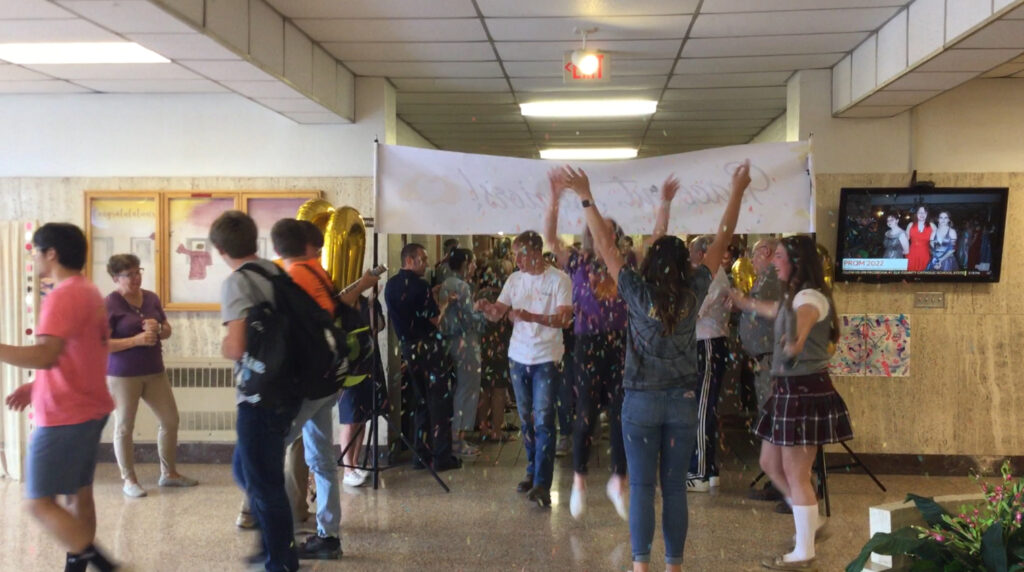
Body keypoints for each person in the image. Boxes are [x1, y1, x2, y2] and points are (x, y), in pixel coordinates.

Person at [561, 161, 750, 572]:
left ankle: (640, 566)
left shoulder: (634, 289)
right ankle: (674, 567)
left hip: (640, 404)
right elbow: (723, 237)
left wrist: (586, 197)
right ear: (686, 266)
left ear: (651, 264)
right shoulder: (693, 291)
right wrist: (737, 191)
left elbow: (606, 246)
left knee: (643, 489)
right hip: (682, 401)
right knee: (675, 491)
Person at [2, 223, 120, 572]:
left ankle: (107, 566)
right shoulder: (87, 291)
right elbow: (75, 354)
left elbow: (46, 355)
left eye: (35, 251)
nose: (34, 258)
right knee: (78, 493)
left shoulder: (62, 295)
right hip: (88, 406)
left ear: (50, 253)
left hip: (65, 415)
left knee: (38, 502)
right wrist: (35, 386)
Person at [732, 235, 854, 571]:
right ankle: (809, 522)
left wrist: (797, 341)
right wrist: (743, 301)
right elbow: (775, 310)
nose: (775, 262)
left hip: (803, 391)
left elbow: (805, 316)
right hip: (788, 391)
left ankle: (805, 549)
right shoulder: (792, 296)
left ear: (797, 263)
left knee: (796, 473)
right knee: (770, 463)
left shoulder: (809, 297)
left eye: (781, 257)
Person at [545, 168, 660, 519]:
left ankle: (617, 480)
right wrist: (554, 198)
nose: (604, 236)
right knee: (585, 415)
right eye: (599, 232)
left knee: (622, 412)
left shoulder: (627, 263)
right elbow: (550, 239)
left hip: (621, 342)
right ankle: (579, 480)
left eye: (609, 232)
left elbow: (655, 239)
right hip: (587, 343)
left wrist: (665, 203)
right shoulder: (578, 261)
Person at [269, 218, 379, 560]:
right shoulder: (320, 273)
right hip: (327, 381)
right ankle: (328, 536)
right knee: (322, 460)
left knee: (267, 451)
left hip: (303, 383)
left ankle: (277, 534)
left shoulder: (292, 278)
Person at [212, 210, 300, 572]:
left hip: (259, 395)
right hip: (286, 387)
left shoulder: (237, 282)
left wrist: (223, 346)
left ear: (220, 249)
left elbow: (236, 345)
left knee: (263, 483)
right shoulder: (275, 271)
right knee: (247, 471)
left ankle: (280, 561)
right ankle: (270, 546)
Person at [478, 230, 573, 508]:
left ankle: (543, 482)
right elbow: (498, 313)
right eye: (514, 255)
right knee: (525, 418)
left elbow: (565, 319)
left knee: (543, 418)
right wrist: (486, 308)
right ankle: (531, 470)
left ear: (535, 253)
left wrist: (530, 316)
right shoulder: (514, 280)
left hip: (546, 358)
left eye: (520, 254)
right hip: (518, 357)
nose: (516, 260)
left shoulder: (559, 279)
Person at [104, 253, 197, 498]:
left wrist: (159, 328)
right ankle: (129, 479)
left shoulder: (151, 298)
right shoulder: (109, 304)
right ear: (116, 278)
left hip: (154, 371)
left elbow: (166, 330)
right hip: (123, 375)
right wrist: (135, 340)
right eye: (129, 274)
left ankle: (169, 474)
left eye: (138, 271)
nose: (136, 278)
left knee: (170, 420)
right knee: (124, 426)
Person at [384, 243, 461, 472]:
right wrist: (446, 302)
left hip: (407, 347)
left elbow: (412, 309)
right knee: (439, 401)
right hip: (428, 347)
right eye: (423, 259)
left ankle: (421, 454)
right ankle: (442, 457)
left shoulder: (390, 285)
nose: (427, 263)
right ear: (410, 259)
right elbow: (434, 319)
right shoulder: (420, 285)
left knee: (420, 401)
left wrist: (431, 294)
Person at [732, 238, 785, 503]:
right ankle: (780, 483)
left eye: (754, 256)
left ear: (765, 252)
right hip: (765, 360)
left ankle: (789, 488)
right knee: (770, 422)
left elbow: (771, 311)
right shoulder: (767, 278)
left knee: (775, 423)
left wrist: (741, 301)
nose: (752, 262)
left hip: (773, 361)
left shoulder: (773, 278)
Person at [685, 235, 732, 493]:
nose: (689, 257)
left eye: (691, 252)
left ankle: (700, 471)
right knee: (703, 407)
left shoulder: (713, 278)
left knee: (702, 409)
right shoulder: (711, 277)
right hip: (704, 344)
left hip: (709, 345)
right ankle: (709, 468)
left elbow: (693, 313)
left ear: (702, 254)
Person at [439, 248, 489, 457]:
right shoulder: (462, 286)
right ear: (464, 263)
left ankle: (454, 437)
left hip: (449, 341)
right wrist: (483, 313)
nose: (475, 266)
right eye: (473, 262)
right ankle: (457, 439)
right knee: (468, 388)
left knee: (459, 388)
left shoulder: (445, 283)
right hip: (465, 342)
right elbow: (469, 320)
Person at [905, 205, 935, 271]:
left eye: (924, 212)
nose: (922, 214)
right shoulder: (910, 224)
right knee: (910, 277)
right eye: (919, 212)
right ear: (916, 214)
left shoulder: (932, 226)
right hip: (911, 254)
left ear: (927, 214)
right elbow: (905, 239)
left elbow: (937, 242)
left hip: (925, 254)